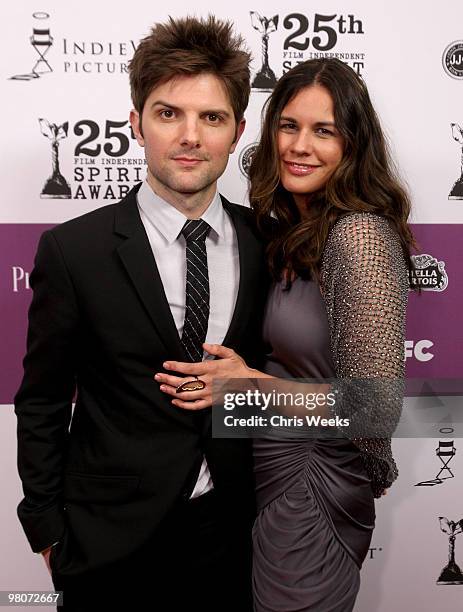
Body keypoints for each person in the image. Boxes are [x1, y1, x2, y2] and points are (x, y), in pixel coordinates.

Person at [15, 15, 268, 612]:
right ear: (136, 124)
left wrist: (253, 391)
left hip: (234, 535)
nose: (190, 136)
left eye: (211, 117)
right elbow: (43, 399)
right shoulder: (73, 250)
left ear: (236, 132)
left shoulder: (270, 244)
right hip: (107, 541)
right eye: (168, 113)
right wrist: (48, 528)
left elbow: (320, 391)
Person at [155, 58, 414, 611]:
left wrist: (246, 385)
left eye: (324, 131)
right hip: (266, 475)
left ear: (353, 143)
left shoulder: (360, 236)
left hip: (312, 485)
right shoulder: (290, 231)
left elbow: (373, 408)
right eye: (289, 126)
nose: (300, 146)